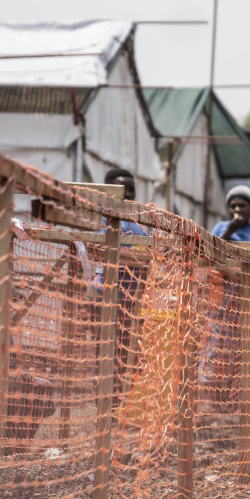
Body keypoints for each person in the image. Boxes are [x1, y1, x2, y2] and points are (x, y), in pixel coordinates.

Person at [93, 167, 150, 393]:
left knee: (128, 348)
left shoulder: (139, 225)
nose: (127, 195)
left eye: (131, 190)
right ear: (107, 192)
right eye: (121, 189)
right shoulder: (101, 221)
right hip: (105, 294)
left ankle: (119, 397)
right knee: (106, 346)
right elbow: (96, 248)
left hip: (133, 296)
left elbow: (151, 250)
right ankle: (107, 396)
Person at [212, 184, 250, 253]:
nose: (237, 209)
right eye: (233, 206)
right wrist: (229, 231)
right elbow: (212, 250)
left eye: (242, 205)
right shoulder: (220, 226)